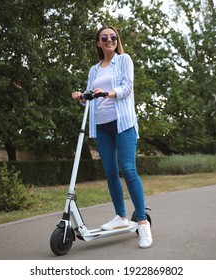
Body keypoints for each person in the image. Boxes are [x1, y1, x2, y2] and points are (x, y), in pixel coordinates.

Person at [71, 25, 153, 249]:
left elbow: (127, 87)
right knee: (110, 171)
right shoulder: (94, 69)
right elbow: (90, 96)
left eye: (113, 37)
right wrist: (80, 96)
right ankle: (121, 216)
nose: (109, 40)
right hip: (102, 125)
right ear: (98, 43)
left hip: (123, 122)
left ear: (117, 40)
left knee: (128, 169)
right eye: (104, 37)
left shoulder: (124, 60)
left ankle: (143, 223)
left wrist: (107, 93)